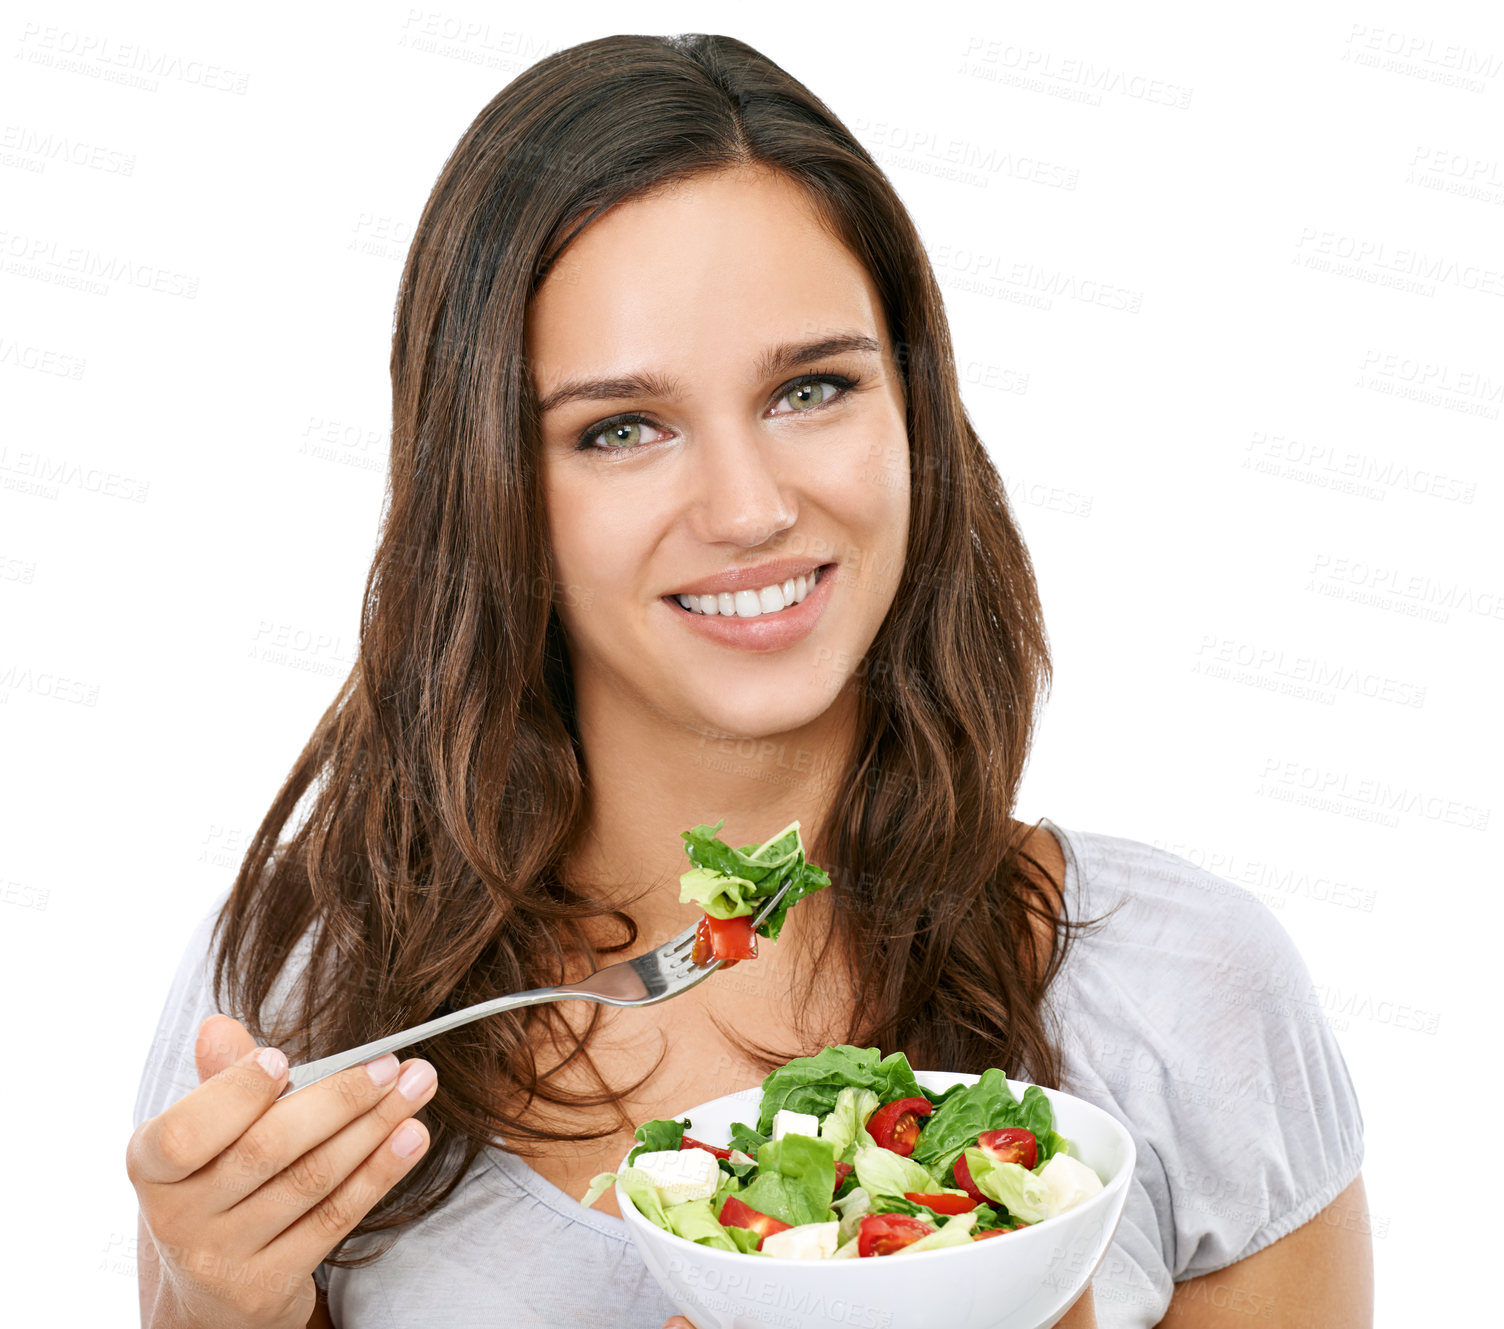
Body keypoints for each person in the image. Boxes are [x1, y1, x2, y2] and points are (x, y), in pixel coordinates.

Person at [125, 33, 1371, 1329]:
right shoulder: (296, 993)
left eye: (811, 388)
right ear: (488, 490)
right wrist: (208, 1308)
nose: (749, 505)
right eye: (621, 428)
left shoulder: (1187, 994)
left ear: (917, 414)